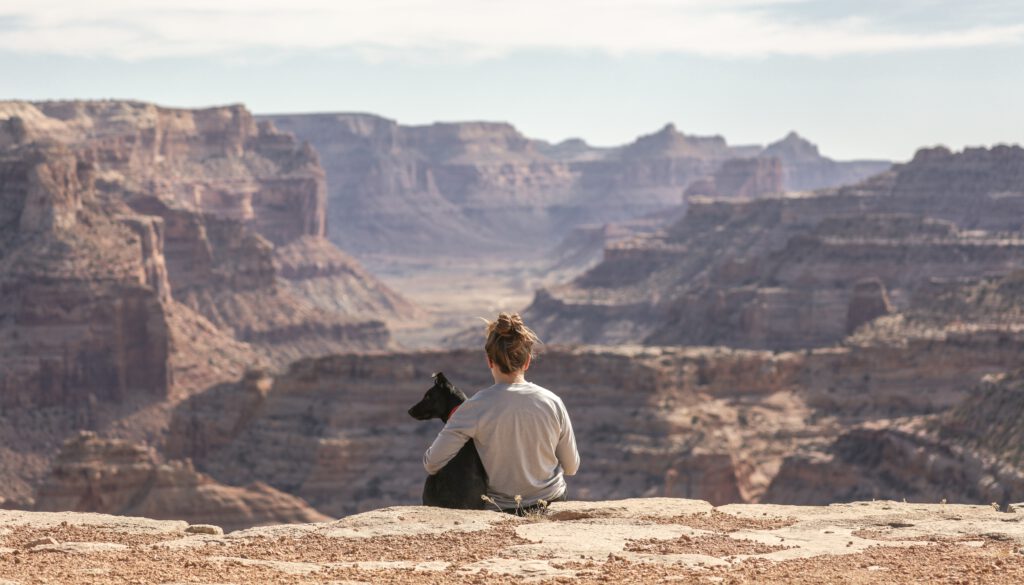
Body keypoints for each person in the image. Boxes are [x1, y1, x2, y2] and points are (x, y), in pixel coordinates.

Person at [423, 312, 580, 513]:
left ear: (489, 361)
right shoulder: (552, 402)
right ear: (527, 362)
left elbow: (432, 463)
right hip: (552, 502)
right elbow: (571, 467)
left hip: (503, 509)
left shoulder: (474, 408)